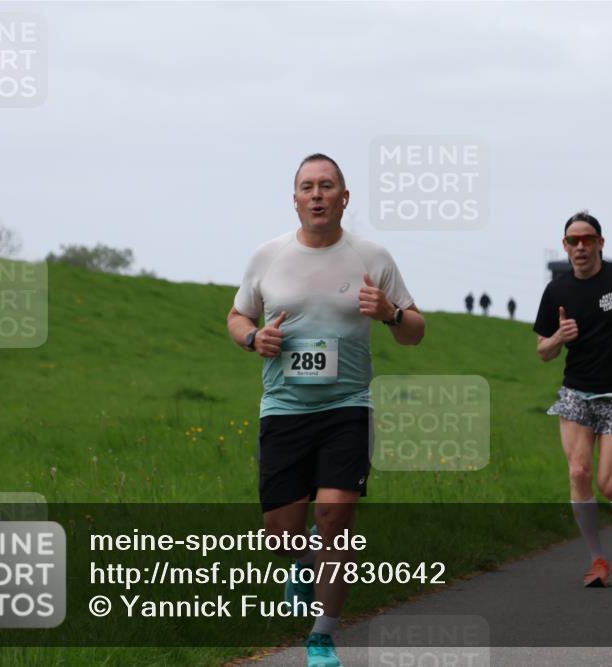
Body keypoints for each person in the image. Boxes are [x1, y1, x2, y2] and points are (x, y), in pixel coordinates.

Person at [227, 153, 425, 667]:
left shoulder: (373, 257)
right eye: (307, 187)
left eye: (327, 185)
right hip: (284, 409)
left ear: (345, 197)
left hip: (347, 405)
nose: (317, 194)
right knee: (281, 537)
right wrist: (253, 337)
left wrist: (391, 311)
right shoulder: (267, 256)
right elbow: (236, 315)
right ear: (294, 199)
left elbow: (414, 332)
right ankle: (302, 562)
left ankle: (322, 635)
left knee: (335, 516)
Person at [533, 210, 612, 588]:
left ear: (601, 243)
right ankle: (597, 559)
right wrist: (559, 338)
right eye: (573, 241)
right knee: (578, 473)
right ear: (565, 246)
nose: (580, 247)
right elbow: (542, 350)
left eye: (587, 239)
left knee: (607, 484)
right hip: (577, 392)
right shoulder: (557, 291)